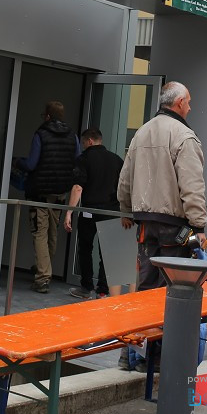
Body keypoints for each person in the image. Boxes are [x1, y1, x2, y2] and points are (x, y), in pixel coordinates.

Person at [117, 81, 207, 292]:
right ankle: (164, 325)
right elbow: (192, 186)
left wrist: (126, 210)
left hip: (145, 224)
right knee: (172, 284)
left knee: (147, 280)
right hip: (174, 226)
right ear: (179, 102)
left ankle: (145, 324)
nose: (190, 108)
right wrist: (199, 226)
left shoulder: (141, 133)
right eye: (189, 103)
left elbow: (125, 179)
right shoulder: (184, 136)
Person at [19, 101, 80, 294]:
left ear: (47, 116)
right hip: (60, 193)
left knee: (39, 233)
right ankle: (44, 268)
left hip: (40, 193)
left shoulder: (41, 134)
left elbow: (31, 164)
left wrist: (18, 163)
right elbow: (77, 160)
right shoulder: (73, 136)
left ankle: (43, 277)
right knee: (52, 235)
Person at [64, 128, 123, 300]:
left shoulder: (83, 159)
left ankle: (86, 287)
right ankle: (103, 290)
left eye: (83, 143)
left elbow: (77, 187)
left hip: (89, 211)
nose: (83, 146)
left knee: (85, 249)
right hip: (111, 211)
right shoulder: (116, 160)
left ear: (89, 141)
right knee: (107, 252)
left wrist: (69, 213)